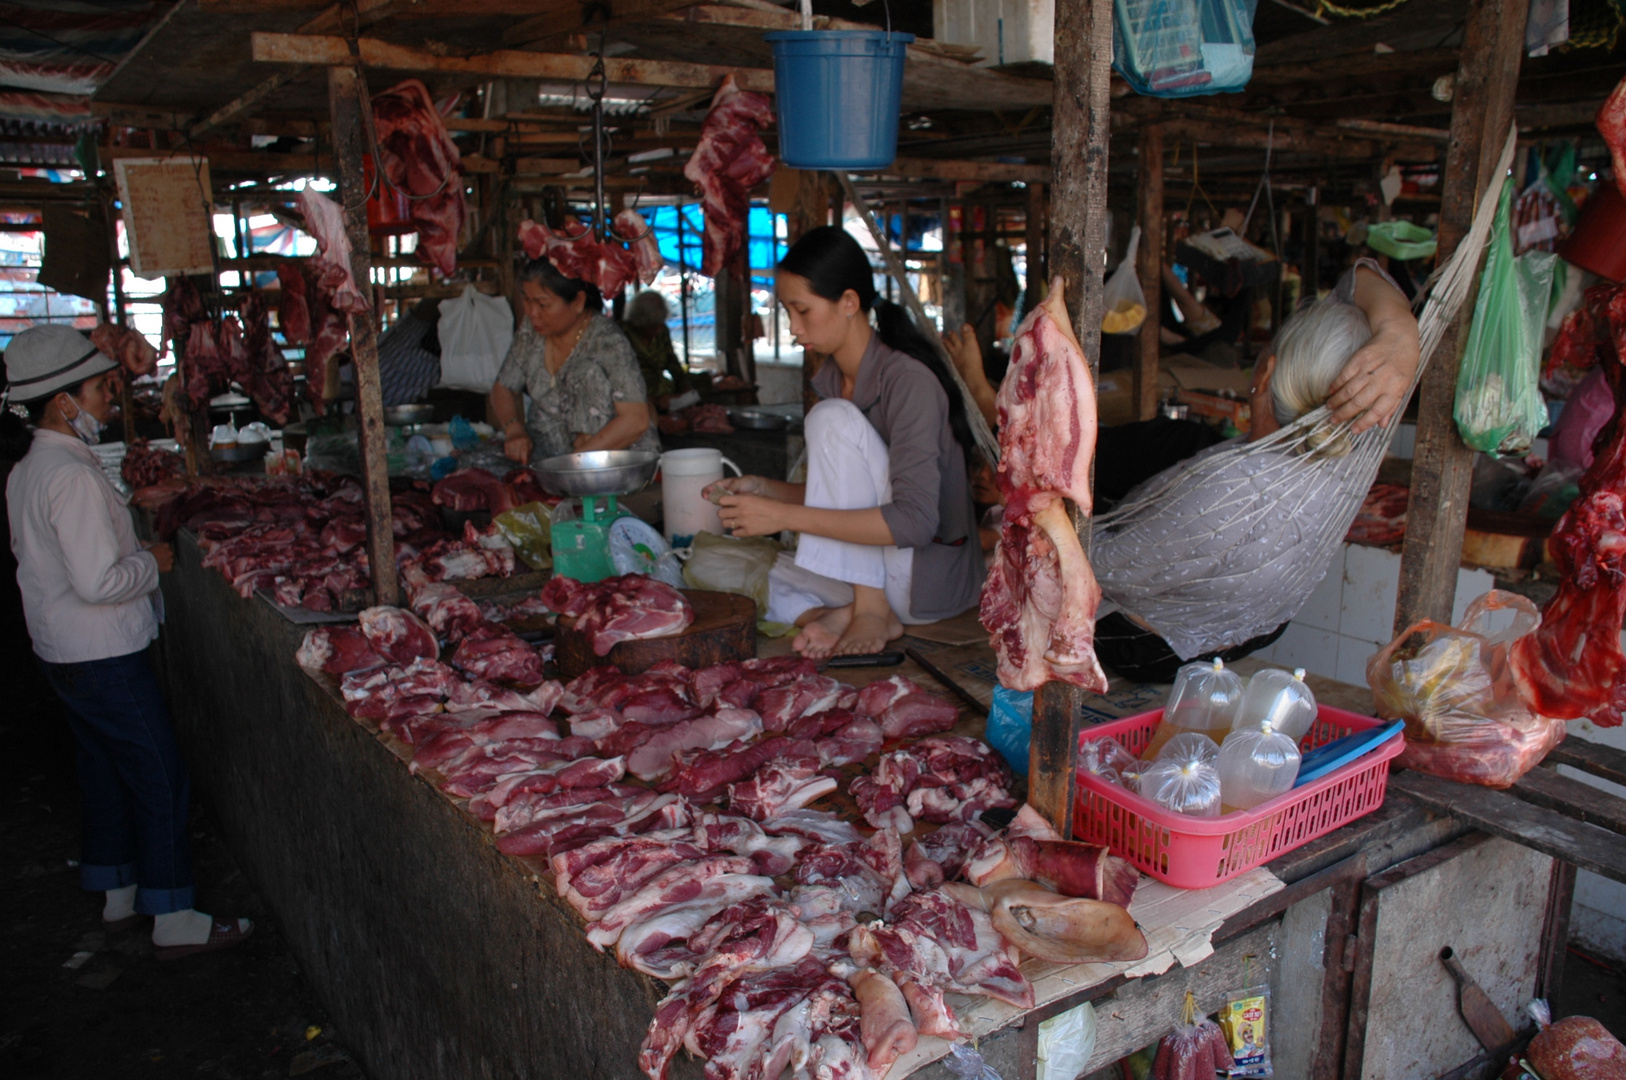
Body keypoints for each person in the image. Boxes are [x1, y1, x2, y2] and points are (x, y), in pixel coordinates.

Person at [2, 325, 252, 959]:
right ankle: (174, 915)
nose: (110, 399)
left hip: (63, 652)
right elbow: (99, 581)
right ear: (63, 402)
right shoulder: (72, 477)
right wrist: (152, 560)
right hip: (103, 651)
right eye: (99, 389)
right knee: (159, 772)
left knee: (103, 768)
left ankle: (115, 890)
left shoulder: (31, 468)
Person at [1090, 259, 1419, 681]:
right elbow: (1361, 280)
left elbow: (1102, 570)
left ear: (1264, 374)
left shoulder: (1231, 491)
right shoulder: (1366, 429)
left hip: (1153, 647)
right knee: (1183, 440)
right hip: (1257, 622)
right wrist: (1400, 332)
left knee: (1127, 465)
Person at [706, 226, 984, 659]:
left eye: (803, 310)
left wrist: (781, 515)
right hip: (878, 569)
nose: (795, 328)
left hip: (924, 579)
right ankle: (850, 608)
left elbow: (914, 522)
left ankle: (869, 609)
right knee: (730, 571)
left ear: (849, 303)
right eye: (787, 311)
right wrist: (765, 491)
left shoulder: (906, 381)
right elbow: (848, 495)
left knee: (830, 419)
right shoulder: (836, 379)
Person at [490, 258, 658, 465]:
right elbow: (503, 386)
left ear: (578, 301)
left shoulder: (607, 341)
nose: (532, 313)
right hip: (548, 460)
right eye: (527, 300)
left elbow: (636, 421)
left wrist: (571, 464)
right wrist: (514, 429)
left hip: (611, 467)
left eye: (543, 304)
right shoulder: (531, 331)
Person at [621, 289, 693, 400]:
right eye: (652, 326)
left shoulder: (662, 331)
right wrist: (652, 400)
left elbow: (671, 360)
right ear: (639, 322)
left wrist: (684, 384)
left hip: (665, 391)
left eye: (660, 324)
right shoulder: (622, 334)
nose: (657, 331)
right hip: (635, 396)